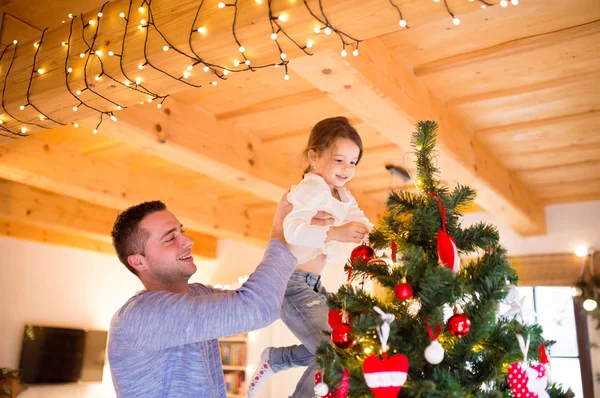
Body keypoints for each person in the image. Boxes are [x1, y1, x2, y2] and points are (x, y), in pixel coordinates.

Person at [107, 197, 333, 397]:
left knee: (344, 348)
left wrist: (301, 241)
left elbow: (273, 302)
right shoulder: (141, 316)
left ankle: (283, 359)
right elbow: (257, 308)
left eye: (181, 231)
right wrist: (280, 235)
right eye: (170, 238)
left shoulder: (197, 294)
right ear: (138, 261)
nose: (188, 241)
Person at [248, 116, 373, 398]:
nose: (347, 169)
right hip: (291, 283)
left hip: (312, 285)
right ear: (314, 156)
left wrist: (390, 239)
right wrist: (335, 233)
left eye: (353, 162)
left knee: (345, 343)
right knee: (335, 350)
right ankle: (283, 366)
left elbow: (363, 224)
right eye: (340, 160)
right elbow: (292, 231)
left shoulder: (342, 194)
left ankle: (278, 359)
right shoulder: (311, 187)